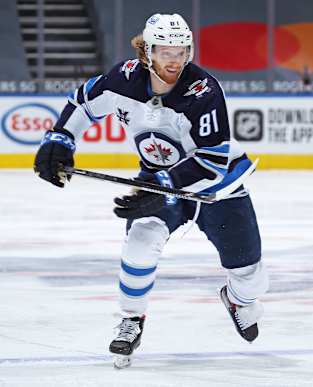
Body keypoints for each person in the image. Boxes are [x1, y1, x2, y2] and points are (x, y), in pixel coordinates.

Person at [33, 13, 269, 367]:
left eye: (181, 50)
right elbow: (83, 102)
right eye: (165, 51)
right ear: (147, 52)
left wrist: (161, 185)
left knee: (251, 275)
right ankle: (131, 318)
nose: (174, 59)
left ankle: (238, 300)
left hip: (216, 186)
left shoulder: (203, 90)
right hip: (159, 180)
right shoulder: (123, 79)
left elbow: (211, 160)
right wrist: (60, 138)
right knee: (140, 242)